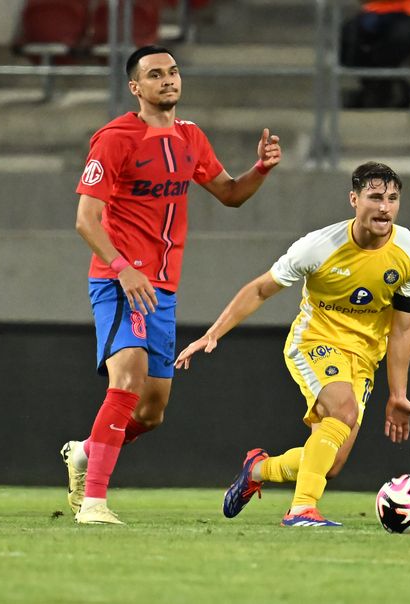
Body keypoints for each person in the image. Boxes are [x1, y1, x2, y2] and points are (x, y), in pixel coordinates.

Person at [61, 45, 282, 525]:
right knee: (127, 379)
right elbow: (85, 220)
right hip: (121, 280)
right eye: (155, 74)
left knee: (152, 411)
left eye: (173, 71)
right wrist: (122, 266)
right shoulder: (115, 138)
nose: (168, 80)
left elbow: (229, 194)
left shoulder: (190, 137)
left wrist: (260, 170)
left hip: (161, 288)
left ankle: (86, 452)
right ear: (135, 88)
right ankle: (94, 503)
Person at [175, 161, 410, 527]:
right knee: (343, 412)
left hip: (364, 356)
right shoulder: (319, 247)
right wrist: (213, 332)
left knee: (331, 462)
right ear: (354, 199)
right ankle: (301, 509)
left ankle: (258, 470)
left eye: (392, 199)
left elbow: (403, 328)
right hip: (315, 340)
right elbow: (261, 288)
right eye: (375, 197)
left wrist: (398, 393)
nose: (384, 208)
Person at [340, 0, 410, 109]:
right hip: (378, 10)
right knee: (347, 40)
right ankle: (377, 85)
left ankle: (383, 90)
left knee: (397, 41)